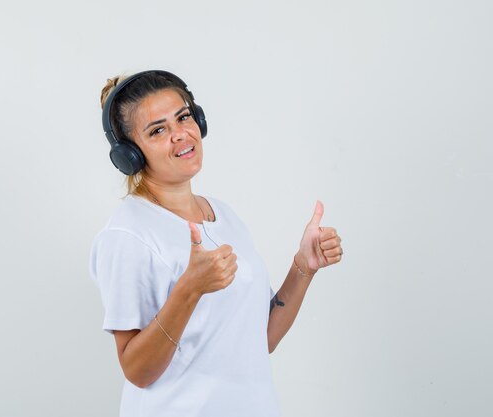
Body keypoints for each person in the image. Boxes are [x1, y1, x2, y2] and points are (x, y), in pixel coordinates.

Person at [89, 70, 343, 417]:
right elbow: (137, 371)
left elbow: (261, 339)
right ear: (129, 154)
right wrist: (189, 290)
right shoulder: (127, 234)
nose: (181, 135)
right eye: (158, 130)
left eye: (183, 117)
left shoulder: (222, 215)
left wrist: (303, 266)